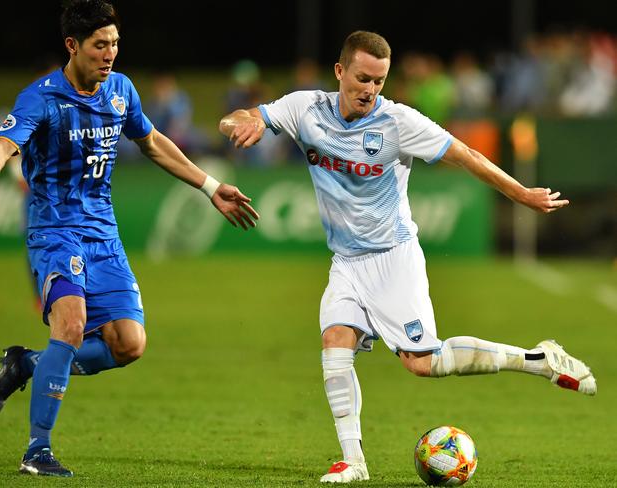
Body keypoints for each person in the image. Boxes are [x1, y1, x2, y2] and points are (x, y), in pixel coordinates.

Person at [219, 30, 596, 484]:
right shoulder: (305, 110)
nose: (370, 89)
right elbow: (241, 115)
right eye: (362, 78)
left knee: (422, 363)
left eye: (379, 81)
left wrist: (520, 193)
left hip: (393, 258)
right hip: (346, 261)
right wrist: (241, 123)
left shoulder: (398, 123)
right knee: (335, 340)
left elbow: (467, 154)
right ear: (340, 72)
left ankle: (536, 360)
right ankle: (353, 461)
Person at [0, 0, 258, 478]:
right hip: (55, 232)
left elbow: (152, 142)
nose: (110, 54)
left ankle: (26, 365)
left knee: (129, 344)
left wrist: (210, 186)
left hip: (104, 235)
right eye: (100, 45)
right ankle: (37, 450)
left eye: (115, 44)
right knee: (72, 324)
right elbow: (2, 145)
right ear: (72, 46)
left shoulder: (121, 90)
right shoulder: (41, 98)